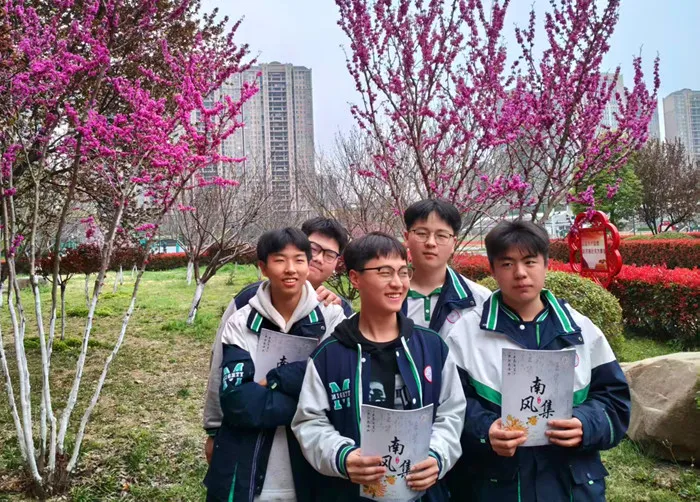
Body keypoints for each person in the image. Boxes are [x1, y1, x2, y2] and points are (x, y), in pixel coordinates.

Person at [442, 220, 630, 501]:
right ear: (492, 269)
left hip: (571, 485)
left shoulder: (580, 330)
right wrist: (485, 429)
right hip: (497, 486)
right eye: (507, 264)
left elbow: (615, 401)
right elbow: (449, 405)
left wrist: (585, 424)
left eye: (530, 262)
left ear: (546, 264)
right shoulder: (465, 335)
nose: (520, 273)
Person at [292, 232, 465, 501]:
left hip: (420, 492)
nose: (397, 283)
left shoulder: (432, 347)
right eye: (384, 272)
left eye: (403, 272)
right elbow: (310, 422)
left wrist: (437, 455)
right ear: (355, 278)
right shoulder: (329, 354)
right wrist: (343, 457)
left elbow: (451, 412)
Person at [203, 228, 346, 501]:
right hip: (248, 458)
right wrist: (308, 400)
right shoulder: (242, 319)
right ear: (263, 267)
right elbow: (237, 401)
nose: (290, 269)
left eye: (299, 260)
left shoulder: (332, 316)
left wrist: (274, 380)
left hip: (313, 460)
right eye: (280, 260)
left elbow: (336, 382)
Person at [402, 199, 490, 336]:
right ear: (407, 238)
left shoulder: (479, 299)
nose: (431, 243)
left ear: (453, 243)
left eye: (441, 236)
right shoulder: (385, 295)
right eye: (421, 233)